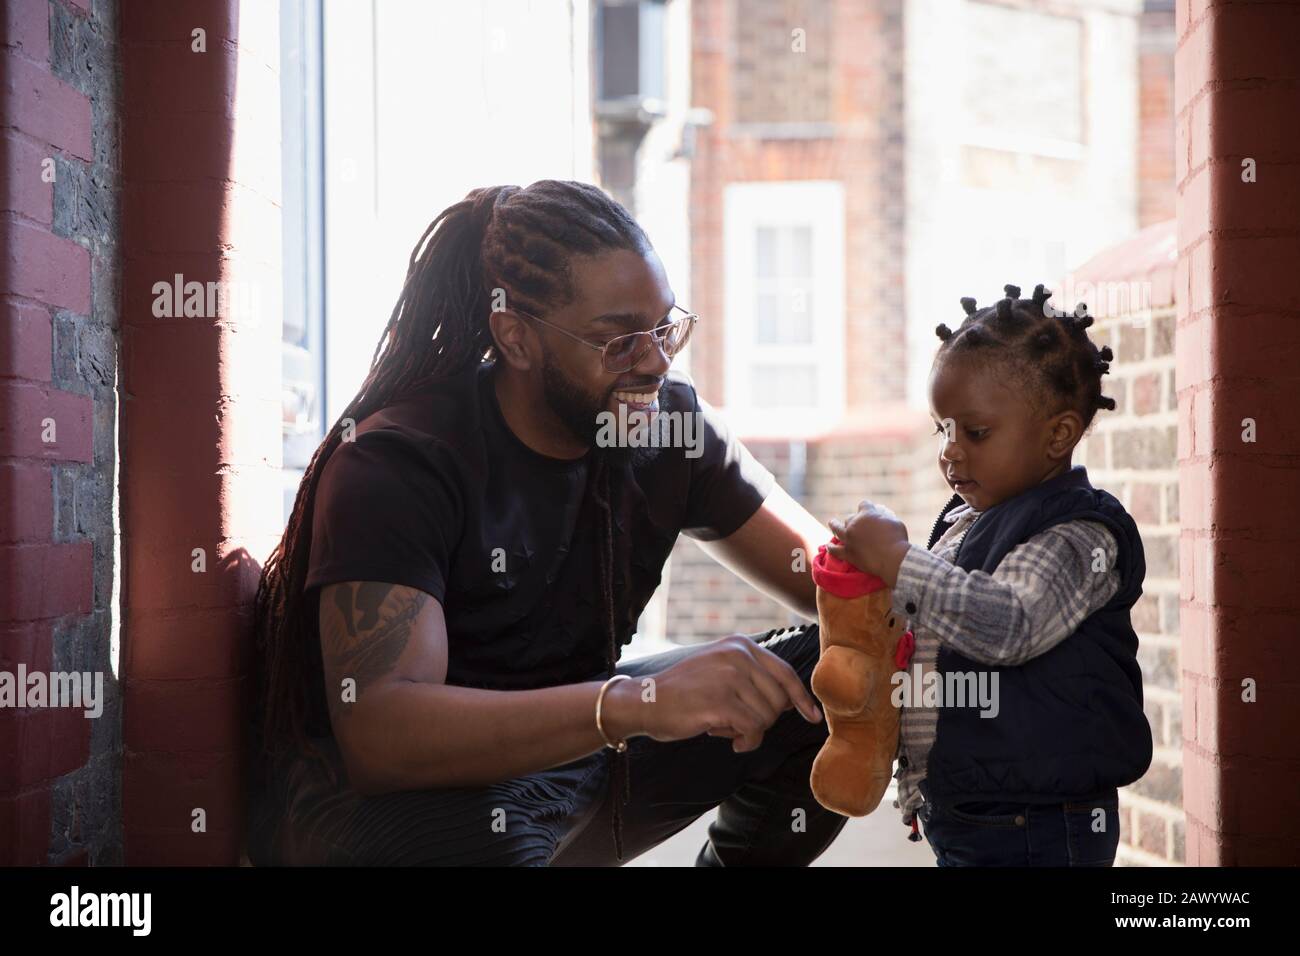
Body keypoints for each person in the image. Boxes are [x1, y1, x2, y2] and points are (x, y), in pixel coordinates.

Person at [246, 180, 849, 866]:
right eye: (618, 339)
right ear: (517, 338)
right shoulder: (401, 461)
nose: (654, 361)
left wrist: (928, 583)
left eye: (663, 327)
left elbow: (834, 584)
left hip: (572, 765)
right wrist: (634, 704)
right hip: (390, 810)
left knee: (827, 677)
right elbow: (381, 735)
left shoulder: (669, 427)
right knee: (486, 839)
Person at [827, 284, 1153, 866]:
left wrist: (900, 562)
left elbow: (1009, 622)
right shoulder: (964, 523)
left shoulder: (1080, 533)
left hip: (1037, 825)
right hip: (968, 813)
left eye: (975, 432)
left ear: (1058, 434)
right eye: (942, 430)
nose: (951, 452)